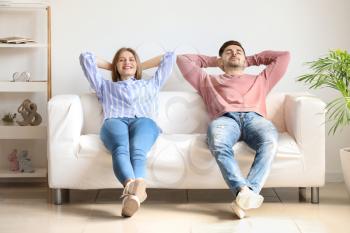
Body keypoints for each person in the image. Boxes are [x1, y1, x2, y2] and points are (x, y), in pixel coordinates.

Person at [177, 40, 290, 219]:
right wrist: (215, 61)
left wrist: (250, 59)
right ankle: (242, 191)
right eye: (228, 52)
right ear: (221, 61)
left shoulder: (262, 79)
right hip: (225, 120)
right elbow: (183, 60)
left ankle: (247, 193)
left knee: (270, 141)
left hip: (255, 119)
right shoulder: (207, 80)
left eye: (239, 51)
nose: (234, 53)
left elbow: (284, 57)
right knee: (219, 143)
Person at [79, 48, 175, 217]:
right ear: (116, 65)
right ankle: (134, 188)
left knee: (138, 149)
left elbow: (170, 57)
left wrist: (138, 66)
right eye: (122, 60)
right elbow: (86, 58)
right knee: (120, 149)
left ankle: (131, 195)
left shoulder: (151, 84)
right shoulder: (105, 86)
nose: (127, 62)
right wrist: (114, 66)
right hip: (114, 120)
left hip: (144, 121)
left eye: (131, 59)